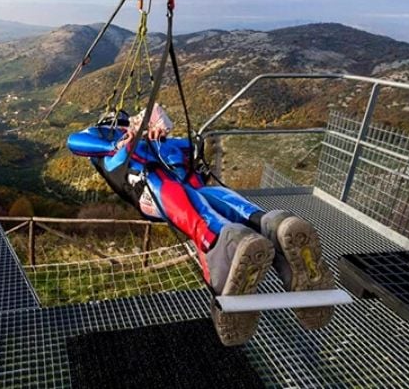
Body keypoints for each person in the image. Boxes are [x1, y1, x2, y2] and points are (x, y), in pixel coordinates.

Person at [67, 104, 335, 345]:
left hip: (165, 186)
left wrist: (157, 125)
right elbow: (76, 141)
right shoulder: (112, 142)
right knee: (202, 196)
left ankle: (223, 240)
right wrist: (128, 139)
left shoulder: (148, 143)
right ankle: (271, 223)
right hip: (161, 183)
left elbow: (188, 146)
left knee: (199, 202)